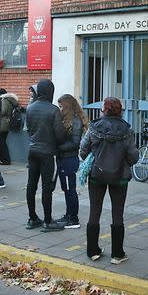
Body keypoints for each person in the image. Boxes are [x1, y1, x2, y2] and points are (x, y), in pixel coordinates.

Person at [79, 97, 138, 264]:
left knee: (94, 212)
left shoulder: (94, 127)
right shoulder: (127, 130)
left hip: (97, 176)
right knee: (117, 214)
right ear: (120, 110)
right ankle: (117, 254)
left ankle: (93, 251)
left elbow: (83, 151)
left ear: (103, 110)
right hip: (119, 177)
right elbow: (133, 157)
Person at [25, 79, 66, 232]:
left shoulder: (30, 108)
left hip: (33, 150)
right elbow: (60, 135)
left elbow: (28, 129)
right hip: (47, 152)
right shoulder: (54, 110)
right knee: (46, 188)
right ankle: (48, 221)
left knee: (31, 185)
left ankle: (32, 218)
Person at [56, 94, 88, 229]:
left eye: (61, 106)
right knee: (67, 189)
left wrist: (57, 147)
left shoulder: (75, 121)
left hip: (69, 159)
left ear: (67, 106)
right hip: (65, 158)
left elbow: (75, 143)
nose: (60, 109)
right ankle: (68, 215)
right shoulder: (68, 119)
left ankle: (73, 219)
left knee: (70, 190)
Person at [0, 88, 19, 166]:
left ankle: (5, 160)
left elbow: (2, 111)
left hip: (2, 124)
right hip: (7, 123)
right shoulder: (11, 100)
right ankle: (2, 159)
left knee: (1, 143)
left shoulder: (4, 100)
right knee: (2, 142)